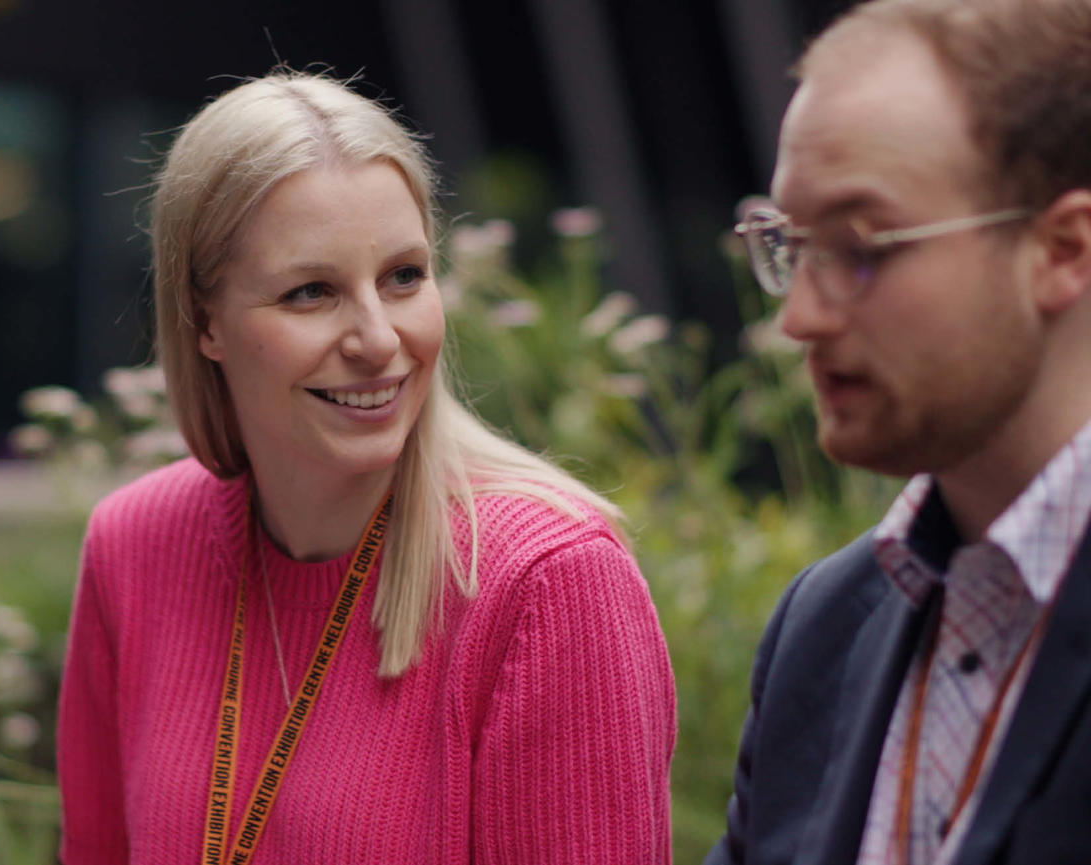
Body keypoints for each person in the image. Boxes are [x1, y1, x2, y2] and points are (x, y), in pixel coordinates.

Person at [55, 71, 675, 864]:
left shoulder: (549, 582)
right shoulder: (134, 545)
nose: (379, 338)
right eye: (312, 291)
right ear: (203, 319)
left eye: (403, 277)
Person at [710, 1, 1091, 863]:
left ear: (1063, 250)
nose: (799, 317)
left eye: (859, 244)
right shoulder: (824, 624)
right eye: (788, 244)